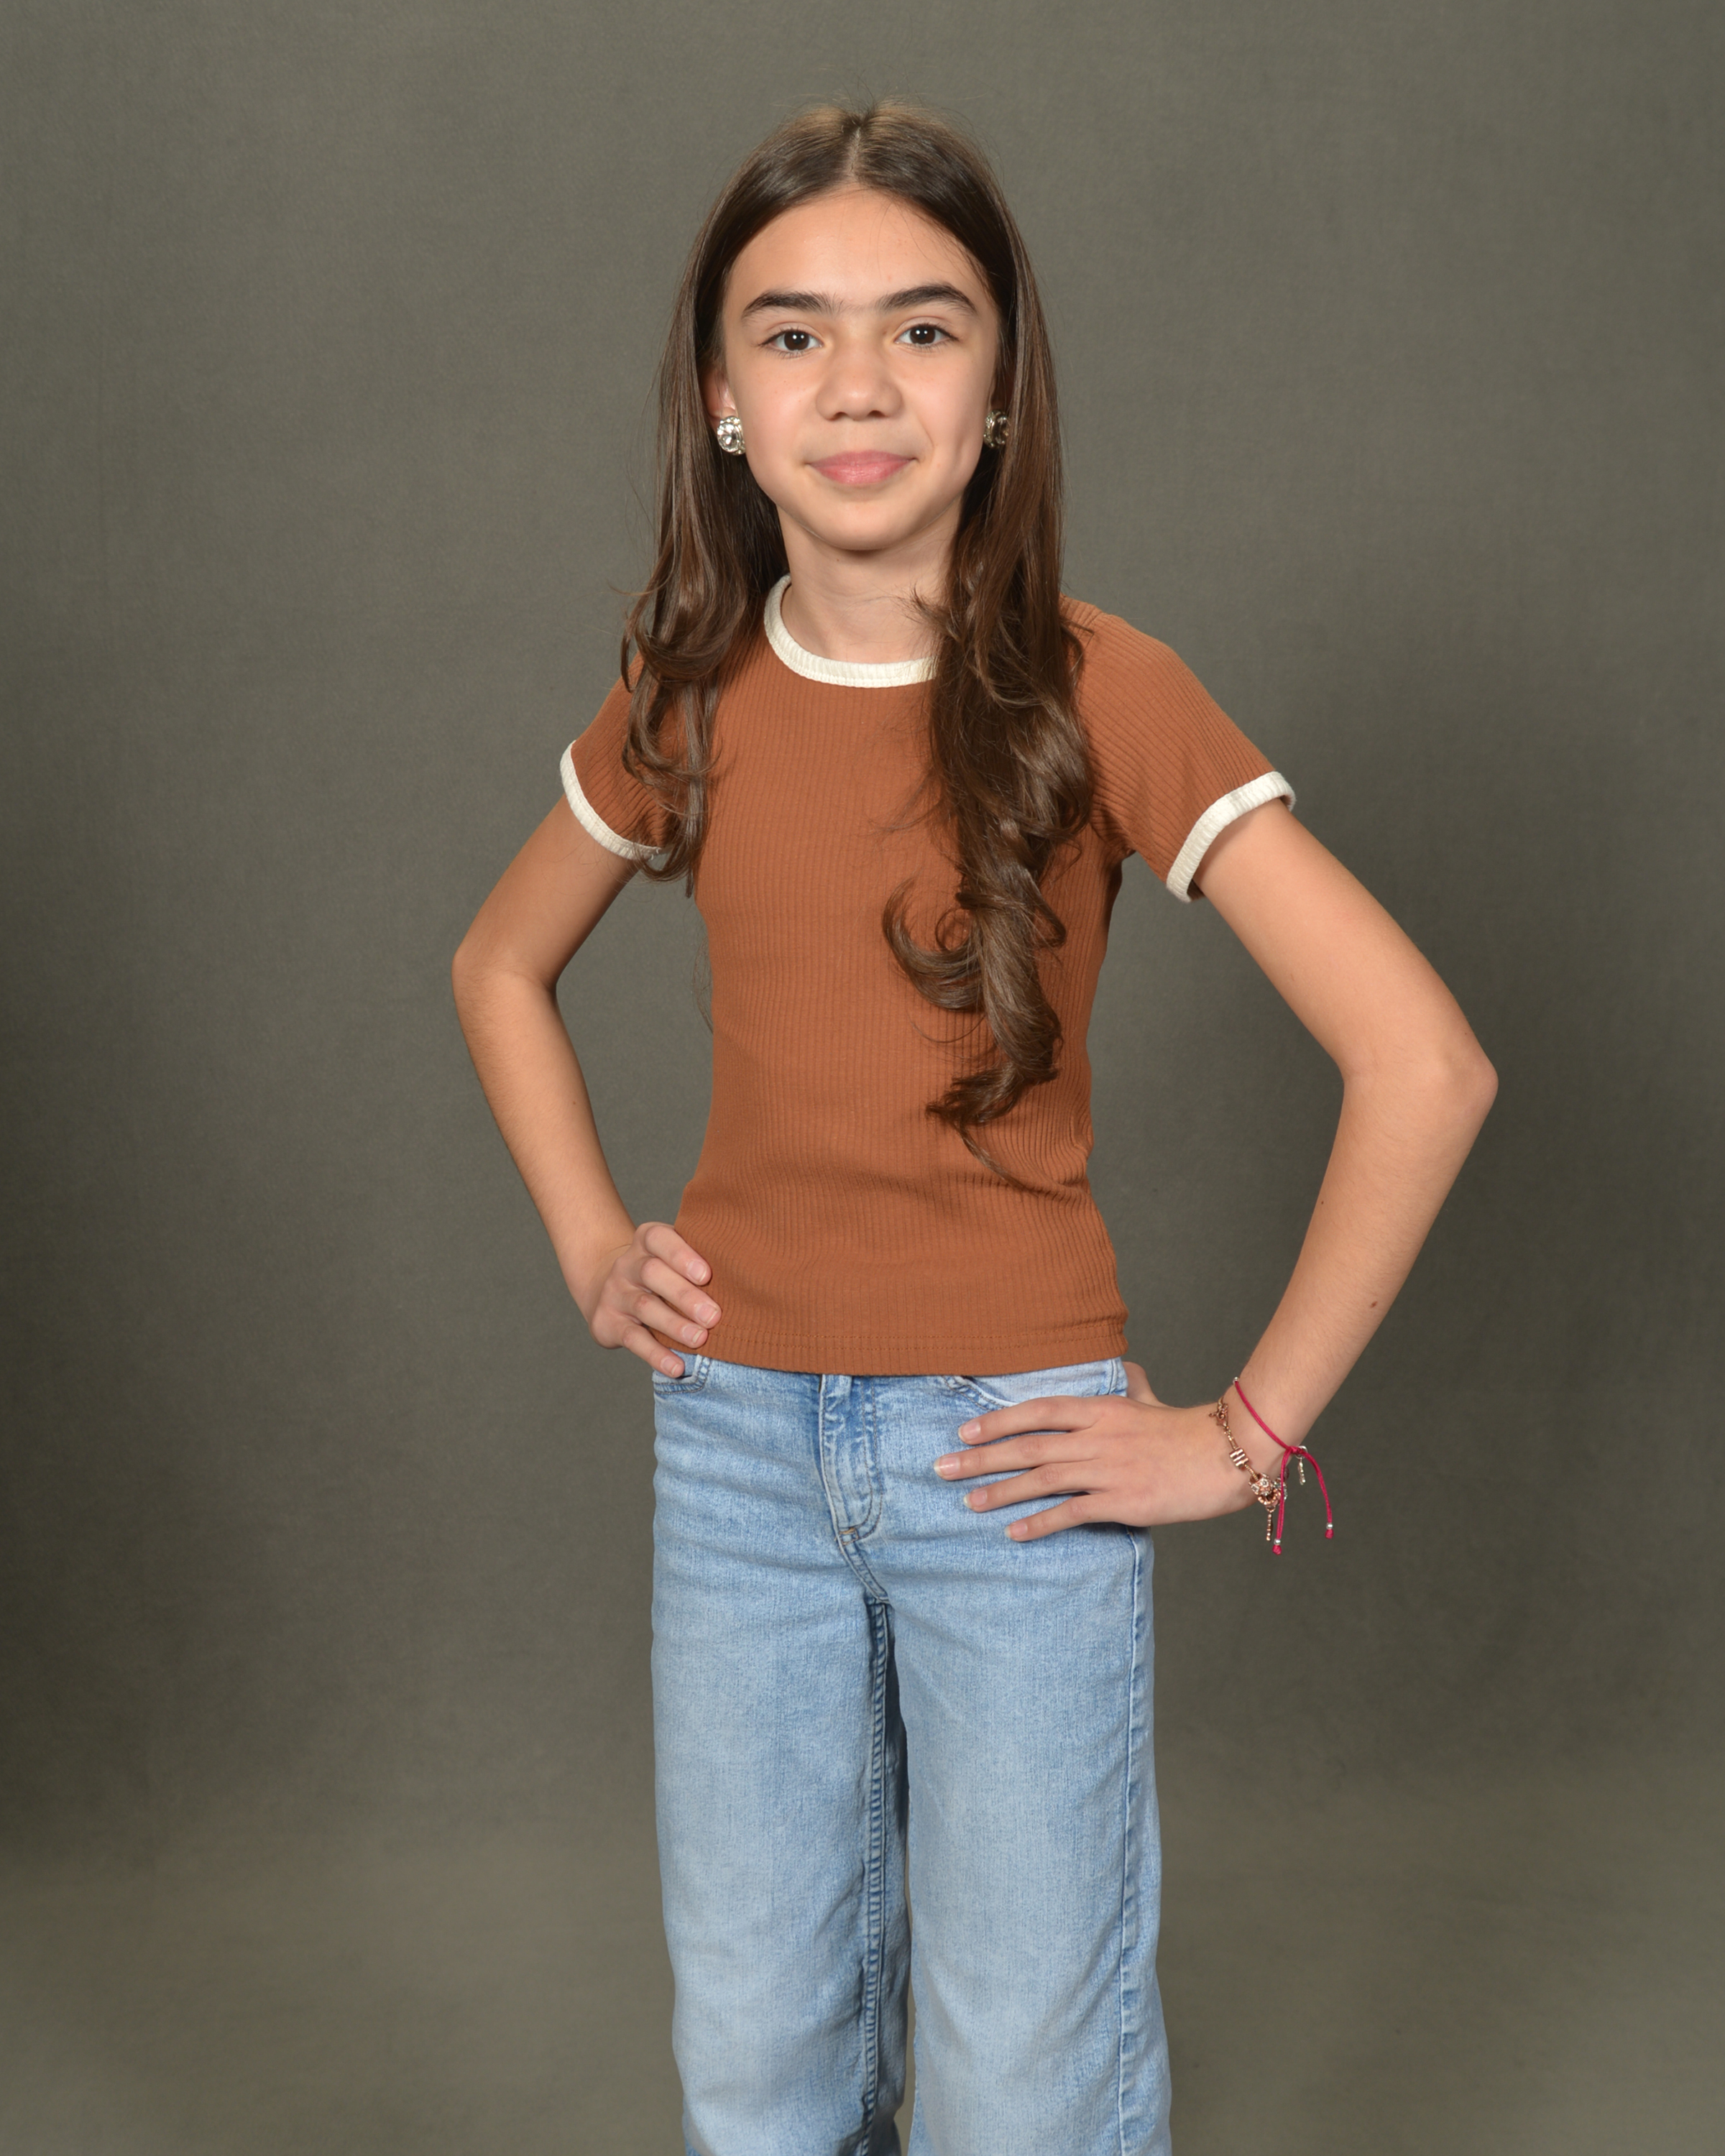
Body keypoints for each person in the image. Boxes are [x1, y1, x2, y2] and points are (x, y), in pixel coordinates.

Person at [451, 100, 1495, 2156]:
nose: (857, 384)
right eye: (793, 334)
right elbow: (498, 965)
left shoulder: (1110, 691)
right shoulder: (683, 697)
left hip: (1015, 1468)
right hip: (735, 1458)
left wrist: (1243, 1436)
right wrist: (590, 1243)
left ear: (1002, 388)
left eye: (922, 330)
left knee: (1026, 2074)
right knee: (759, 2054)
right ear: (723, 400)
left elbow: (1424, 1062)